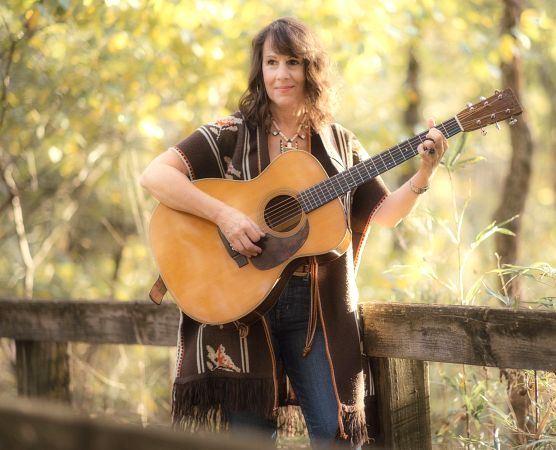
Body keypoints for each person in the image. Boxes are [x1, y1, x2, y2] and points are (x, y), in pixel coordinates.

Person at [140, 17, 447, 448]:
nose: (281, 74)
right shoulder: (230, 134)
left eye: (292, 62)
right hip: (242, 311)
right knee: (250, 441)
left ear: (310, 69)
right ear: (260, 69)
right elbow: (155, 175)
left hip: (316, 310)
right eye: (271, 62)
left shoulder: (339, 144)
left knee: (339, 437)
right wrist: (225, 216)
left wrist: (424, 173)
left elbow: (385, 214)